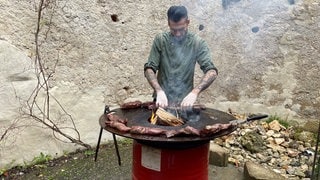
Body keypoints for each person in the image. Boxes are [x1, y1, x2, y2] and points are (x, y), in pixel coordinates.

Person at [144, 5, 218, 108]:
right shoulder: (161, 40)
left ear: (187, 22)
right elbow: (149, 69)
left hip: (184, 103)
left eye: (181, 29)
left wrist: (194, 93)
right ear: (169, 24)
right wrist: (159, 91)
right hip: (162, 102)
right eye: (174, 30)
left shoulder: (197, 43)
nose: (178, 34)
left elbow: (212, 72)